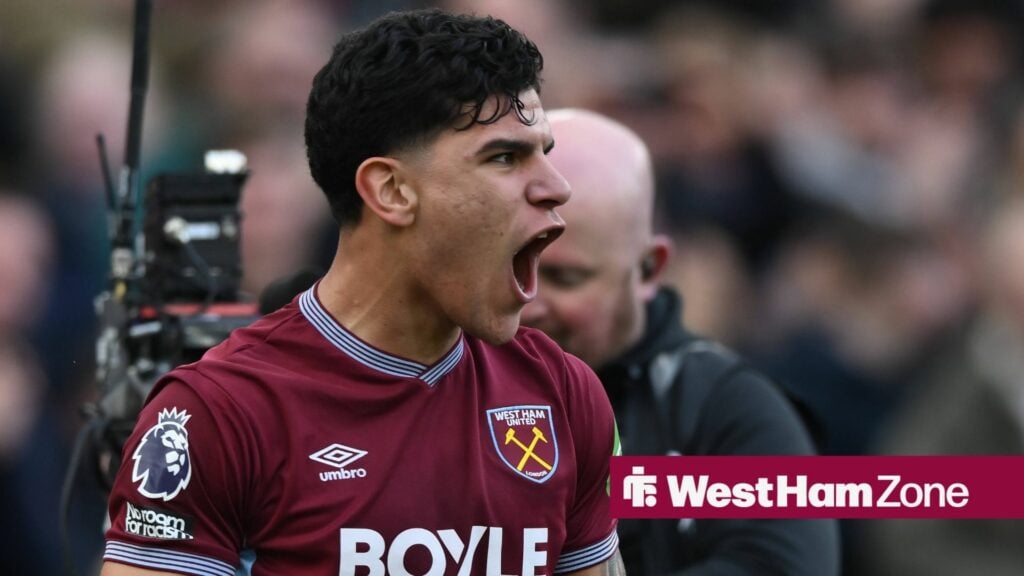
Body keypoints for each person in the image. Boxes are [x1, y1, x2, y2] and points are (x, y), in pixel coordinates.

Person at [100, 10, 623, 576]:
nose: (556, 186)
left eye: (544, 151)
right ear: (392, 190)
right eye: (505, 156)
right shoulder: (219, 416)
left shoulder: (564, 393)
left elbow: (723, 499)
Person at [522, 108, 840, 575]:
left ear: (650, 268)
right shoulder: (436, 373)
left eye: (565, 278)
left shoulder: (722, 409)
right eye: (513, 264)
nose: (529, 303)